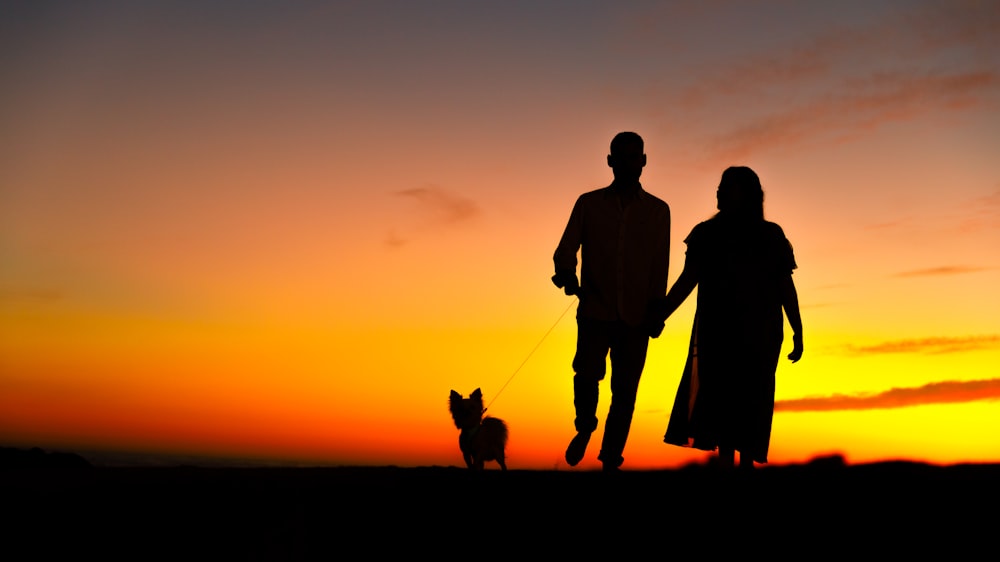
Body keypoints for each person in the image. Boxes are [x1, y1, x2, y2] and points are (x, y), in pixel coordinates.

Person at [650, 166, 803, 469]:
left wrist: (798, 330)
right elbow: (687, 280)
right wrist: (660, 314)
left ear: (746, 194)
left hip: (760, 335)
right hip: (718, 333)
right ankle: (727, 468)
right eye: (719, 187)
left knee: (751, 403)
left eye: (726, 187)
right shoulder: (706, 235)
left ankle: (743, 467)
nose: (718, 193)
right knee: (720, 402)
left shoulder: (771, 236)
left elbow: (786, 287)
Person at [552, 131, 671, 472]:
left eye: (635, 157)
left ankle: (610, 460)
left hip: (637, 317)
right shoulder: (588, 203)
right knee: (586, 375)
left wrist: (657, 311)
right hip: (594, 310)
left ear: (644, 161)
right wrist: (566, 273)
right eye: (622, 157)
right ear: (610, 161)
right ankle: (586, 426)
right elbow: (566, 248)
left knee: (625, 393)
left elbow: (659, 265)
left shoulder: (659, 211)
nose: (629, 163)